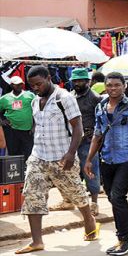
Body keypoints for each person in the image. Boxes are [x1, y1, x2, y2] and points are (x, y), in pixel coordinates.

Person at [15, 66, 100, 255]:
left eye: (39, 83)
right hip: (38, 156)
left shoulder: (65, 98)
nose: (36, 88)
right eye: (32, 85)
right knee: (32, 195)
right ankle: (37, 241)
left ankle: (89, 220)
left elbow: (77, 127)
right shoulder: (35, 101)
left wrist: (71, 154)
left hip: (62, 157)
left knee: (76, 193)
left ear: (48, 78)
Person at [85, 72, 128, 255]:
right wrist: (89, 159)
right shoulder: (101, 107)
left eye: (117, 85)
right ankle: (122, 238)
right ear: (105, 86)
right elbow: (97, 134)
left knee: (118, 196)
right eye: (110, 85)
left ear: (124, 86)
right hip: (106, 159)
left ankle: (124, 239)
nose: (113, 88)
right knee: (112, 198)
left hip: (127, 159)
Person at [49, 69, 102, 215]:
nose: (77, 83)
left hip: (88, 141)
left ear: (88, 81)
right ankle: (68, 200)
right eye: (75, 81)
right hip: (70, 141)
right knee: (65, 171)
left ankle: (94, 202)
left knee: (90, 170)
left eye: (80, 81)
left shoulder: (95, 98)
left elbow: (101, 119)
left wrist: (96, 135)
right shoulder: (68, 96)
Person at [0, 76, 35, 161]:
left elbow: (37, 111)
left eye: (21, 84)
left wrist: (34, 126)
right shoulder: (5, 98)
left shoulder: (30, 95)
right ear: (12, 85)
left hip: (27, 130)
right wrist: (2, 121)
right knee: (13, 154)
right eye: (17, 85)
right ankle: (15, 172)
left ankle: (27, 172)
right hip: (11, 130)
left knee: (28, 153)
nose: (19, 86)